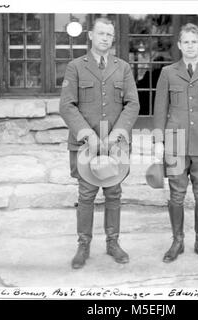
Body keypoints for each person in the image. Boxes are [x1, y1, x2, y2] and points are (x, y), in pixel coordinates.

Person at [59, 17, 140, 269]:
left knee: (114, 192)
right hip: (86, 144)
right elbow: (67, 105)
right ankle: (83, 245)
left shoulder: (123, 67)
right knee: (86, 195)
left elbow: (133, 103)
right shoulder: (75, 66)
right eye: (101, 33)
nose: (105, 38)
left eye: (109, 34)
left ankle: (113, 242)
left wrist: (117, 133)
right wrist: (89, 135)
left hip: (115, 143)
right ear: (91, 36)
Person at [153, 23, 198, 264]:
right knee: (176, 196)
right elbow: (160, 108)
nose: (190, 46)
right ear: (179, 45)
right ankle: (177, 241)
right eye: (185, 42)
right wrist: (158, 140)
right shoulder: (167, 72)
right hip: (175, 141)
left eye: (194, 42)